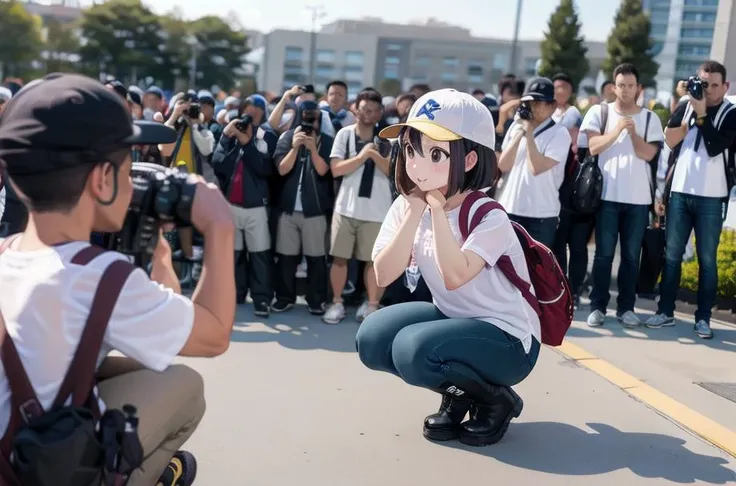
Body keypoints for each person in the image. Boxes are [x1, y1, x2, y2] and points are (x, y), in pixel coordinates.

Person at [0, 73, 236, 486]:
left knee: (145, 365)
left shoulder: (11, 252)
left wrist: (158, 251)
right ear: (101, 179)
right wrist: (218, 226)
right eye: (128, 170)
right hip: (32, 469)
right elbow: (214, 335)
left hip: (12, 444)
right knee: (185, 385)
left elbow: (156, 336)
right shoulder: (98, 277)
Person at [356, 89, 541, 447]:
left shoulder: (488, 215)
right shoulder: (408, 203)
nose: (416, 165)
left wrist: (437, 211)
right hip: (455, 319)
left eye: (435, 154)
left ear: (469, 160)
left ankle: (494, 399)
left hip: (508, 339)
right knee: (373, 339)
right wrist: (413, 211)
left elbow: (456, 276)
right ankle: (460, 394)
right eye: (410, 150)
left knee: (412, 350)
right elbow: (382, 275)